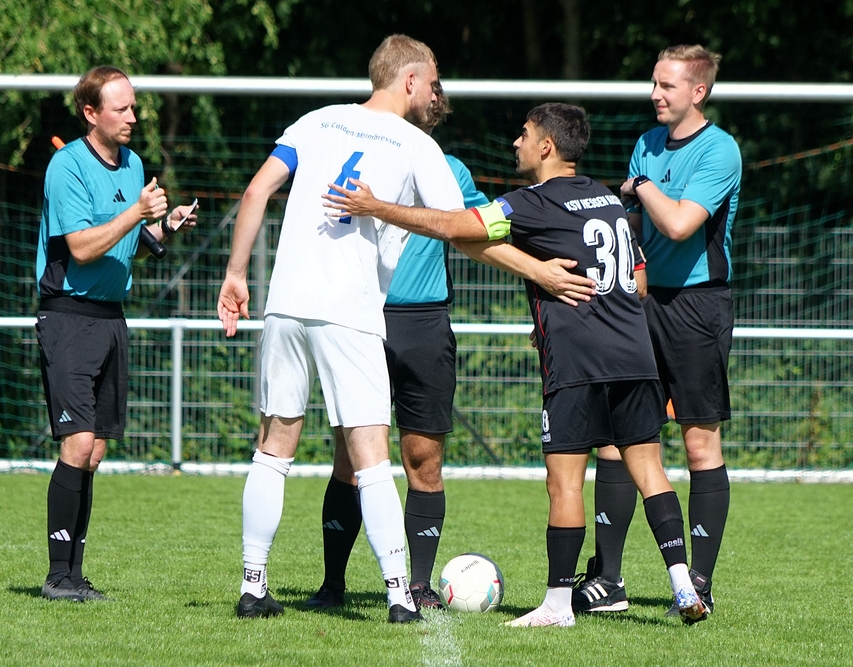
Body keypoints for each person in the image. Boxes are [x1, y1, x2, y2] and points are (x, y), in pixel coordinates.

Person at [218, 35, 595, 624]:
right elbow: (461, 230)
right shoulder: (415, 143)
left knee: (272, 450)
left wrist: (237, 274)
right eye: (433, 79)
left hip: (285, 304)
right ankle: (399, 595)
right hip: (350, 312)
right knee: (371, 460)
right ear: (411, 79)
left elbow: (256, 190)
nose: (436, 91)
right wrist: (536, 269)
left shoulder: (314, 122)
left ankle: (252, 585)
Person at [323, 102, 709, 626]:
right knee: (651, 471)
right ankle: (684, 587)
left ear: (546, 146)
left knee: (564, 483)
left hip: (578, 361)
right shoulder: (606, 199)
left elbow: (456, 226)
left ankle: (557, 605)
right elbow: (637, 282)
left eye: (524, 135)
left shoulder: (532, 202)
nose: (516, 143)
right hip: (636, 353)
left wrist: (377, 207)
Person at [305, 85, 491, 612]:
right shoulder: (357, 160)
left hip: (425, 324)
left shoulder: (452, 172)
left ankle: (420, 584)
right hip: (360, 320)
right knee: (350, 458)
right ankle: (332, 585)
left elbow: (484, 230)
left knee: (423, 460)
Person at [573, 45, 740, 618]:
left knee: (698, 442)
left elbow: (678, 223)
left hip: (698, 307)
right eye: (654, 83)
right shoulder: (647, 142)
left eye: (667, 86)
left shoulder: (720, 150)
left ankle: (699, 583)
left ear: (698, 92)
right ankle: (608, 580)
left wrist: (638, 186)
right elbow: (637, 231)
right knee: (617, 436)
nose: (655, 95)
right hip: (641, 305)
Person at [36, 65, 197, 602]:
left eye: (133, 105)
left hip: (111, 317)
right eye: (121, 108)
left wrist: (164, 226)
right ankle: (57, 575)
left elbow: (130, 244)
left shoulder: (133, 164)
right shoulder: (67, 165)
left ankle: (75, 576)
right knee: (78, 442)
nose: (133, 116)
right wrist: (137, 212)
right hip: (69, 316)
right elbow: (82, 247)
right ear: (91, 113)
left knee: (96, 448)